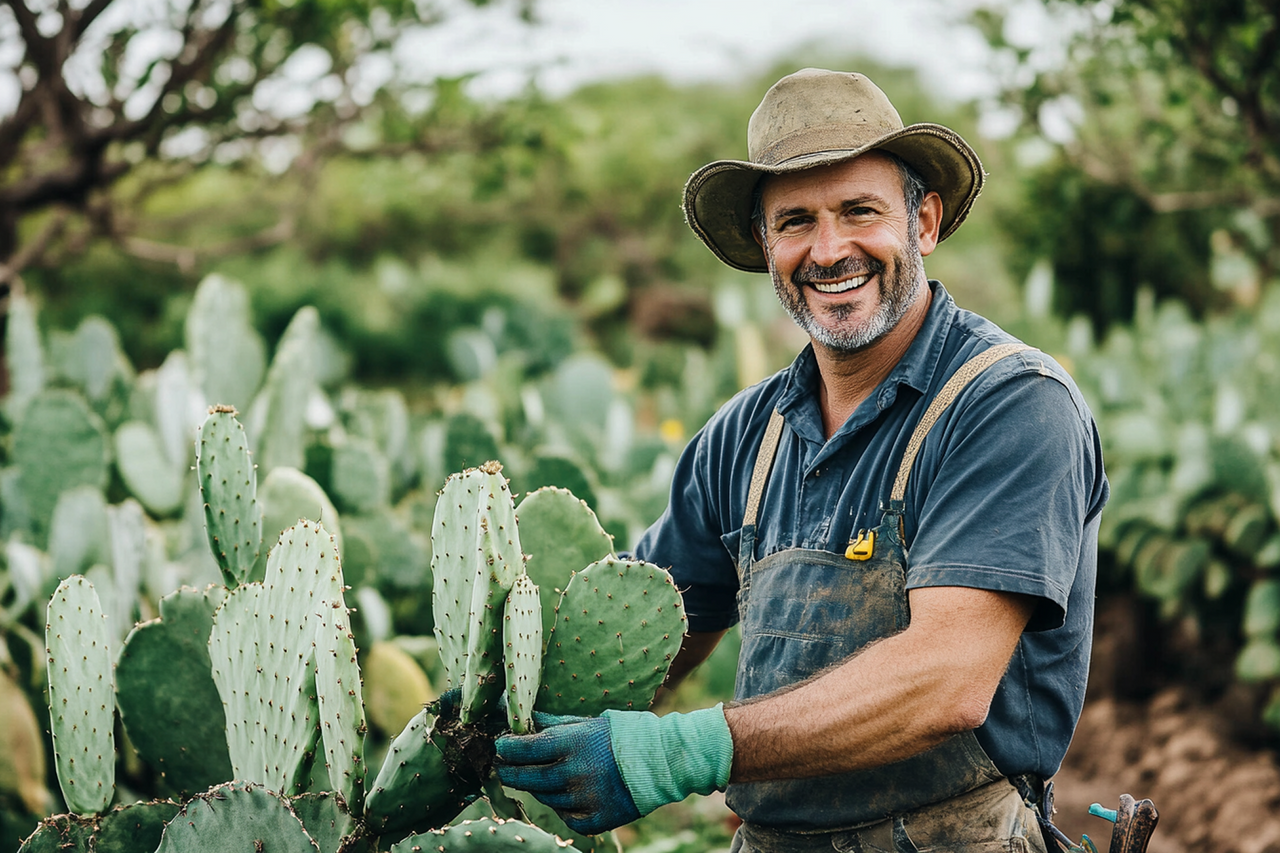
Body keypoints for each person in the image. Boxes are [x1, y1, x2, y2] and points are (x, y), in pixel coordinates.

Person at [495, 68, 1108, 853]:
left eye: (860, 211)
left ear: (923, 221)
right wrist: (502, 704)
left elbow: (945, 679)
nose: (829, 250)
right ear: (765, 244)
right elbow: (640, 636)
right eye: (795, 221)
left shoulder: (1010, 404)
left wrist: (682, 752)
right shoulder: (742, 437)